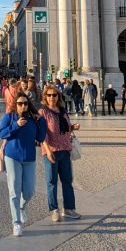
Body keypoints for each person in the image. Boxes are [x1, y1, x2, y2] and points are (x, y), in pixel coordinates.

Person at [0, 91, 48, 237]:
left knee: (29, 191)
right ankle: (16, 223)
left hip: (29, 158)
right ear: (16, 104)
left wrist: (42, 121)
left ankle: (21, 208)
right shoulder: (9, 117)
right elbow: (2, 133)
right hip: (12, 157)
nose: (23, 106)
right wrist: (16, 125)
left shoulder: (33, 120)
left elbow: (40, 137)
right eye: (20, 103)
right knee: (14, 190)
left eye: (25, 103)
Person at [39, 85, 81, 222]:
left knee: (67, 181)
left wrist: (73, 127)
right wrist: (47, 150)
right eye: (49, 95)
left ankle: (68, 208)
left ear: (58, 96)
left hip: (65, 150)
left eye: (54, 95)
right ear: (45, 97)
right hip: (51, 151)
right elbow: (42, 133)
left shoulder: (63, 111)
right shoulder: (43, 112)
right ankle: (54, 209)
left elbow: (66, 128)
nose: (52, 97)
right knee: (52, 181)